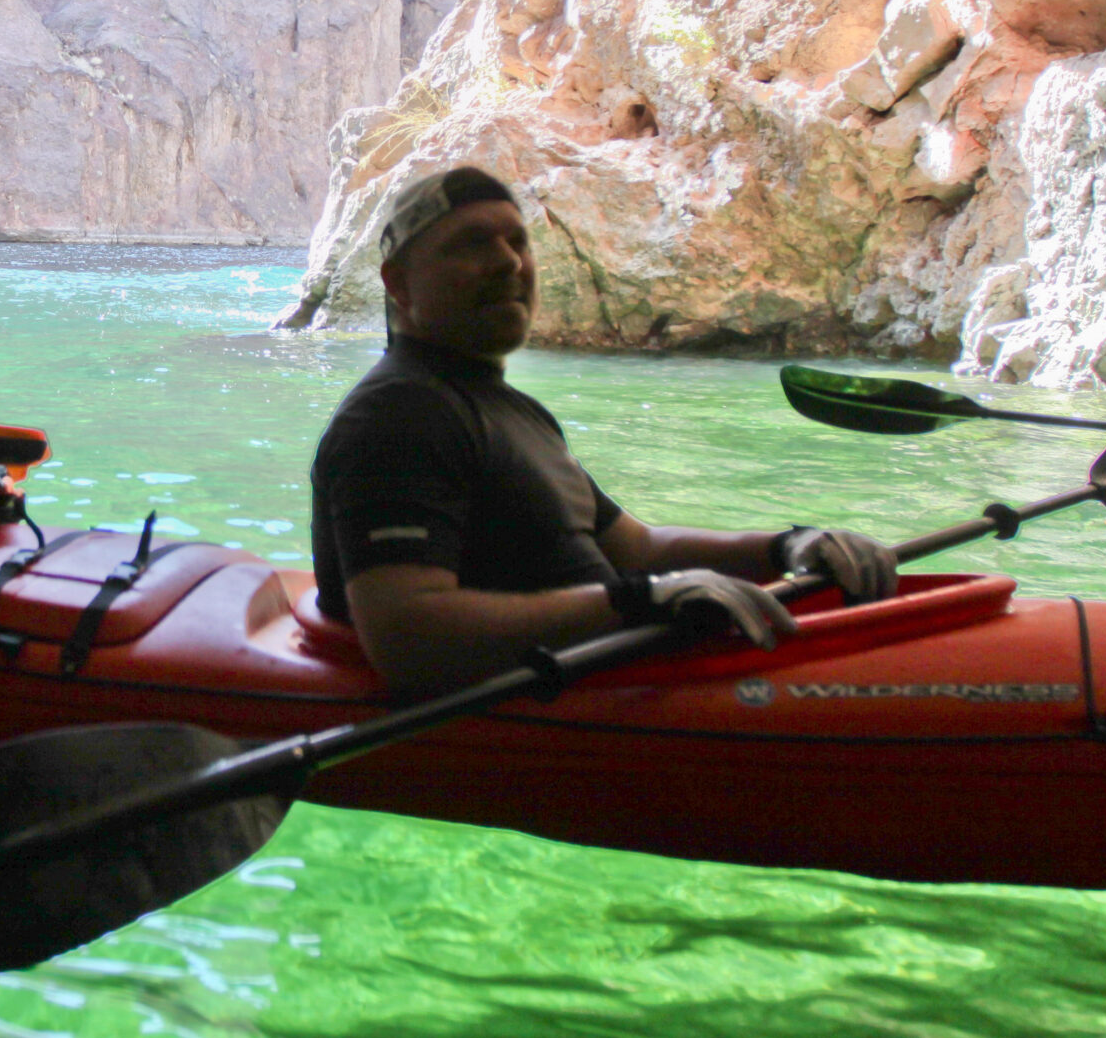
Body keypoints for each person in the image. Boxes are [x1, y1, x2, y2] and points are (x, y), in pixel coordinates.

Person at [311, 166, 897, 699]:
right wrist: (636, 603)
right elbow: (408, 640)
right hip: (581, 694)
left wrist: (786, 546)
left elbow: (638, 549)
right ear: (399, 285)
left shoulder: (511, 411)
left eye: (516, 241)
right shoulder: (396, 416)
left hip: (627, 666)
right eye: (471, 244)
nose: (510, 263)